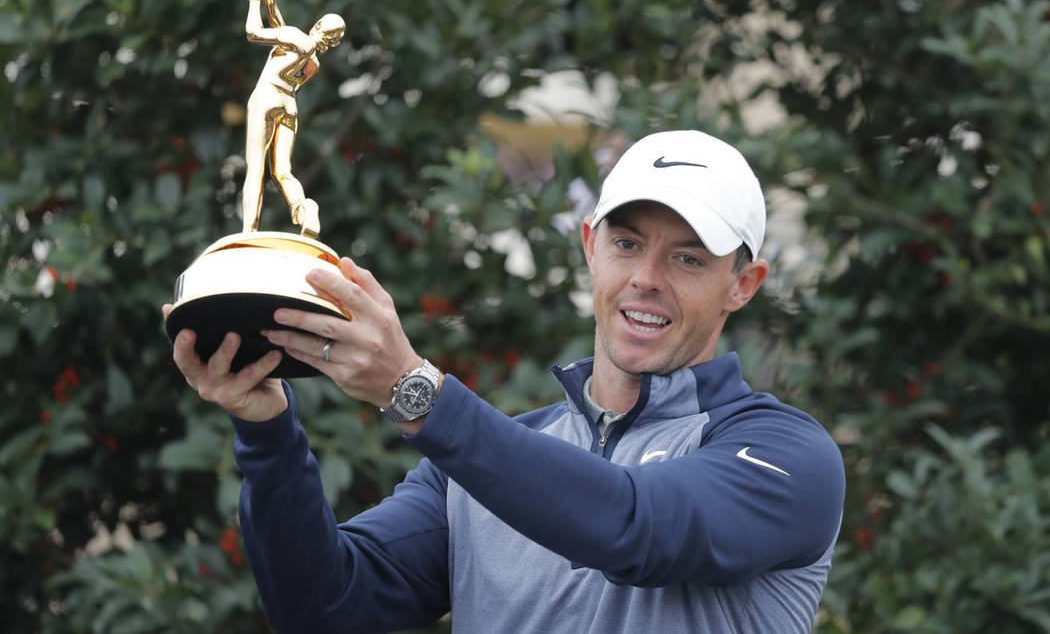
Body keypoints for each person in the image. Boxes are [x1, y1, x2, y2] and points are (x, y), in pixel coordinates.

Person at [166, 130, 845, 633]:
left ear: (743, 285)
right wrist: (265, 431)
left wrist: (415, 390)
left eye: (688, 257)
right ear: (589, 245)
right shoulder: (478, 466)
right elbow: (326, 611)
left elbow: (631, 526)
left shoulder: (787, 455)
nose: (646, 279)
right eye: (628, 243)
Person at [240, 0, 345, 238]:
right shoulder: (314, 63)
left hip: (266, 98)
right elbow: (283, 32)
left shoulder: (297, 38)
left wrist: (254, 0)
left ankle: (248, 232)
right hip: (289, 106)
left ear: (318, 25)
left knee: (256, 167)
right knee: (283, 170)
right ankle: (303, 207)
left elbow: (254, 33)